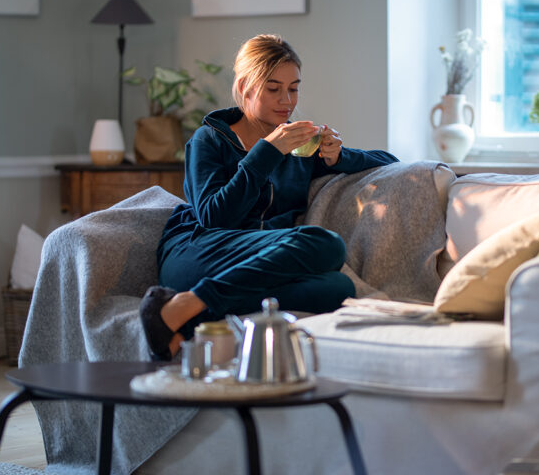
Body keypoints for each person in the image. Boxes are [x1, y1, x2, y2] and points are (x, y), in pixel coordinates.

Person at [140, 34, 398, 361]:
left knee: (338, 288)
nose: (286, 100)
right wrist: (267, 153)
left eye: (293, 88)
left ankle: (187, 314)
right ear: (246, 87)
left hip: (255, 263)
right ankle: (191, 299)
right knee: (327, 245)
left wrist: (338, 156)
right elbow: (214, 217)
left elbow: (389, 162)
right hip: (198, 253)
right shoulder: (210, 139)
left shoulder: (299, 145)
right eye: (273, 88)